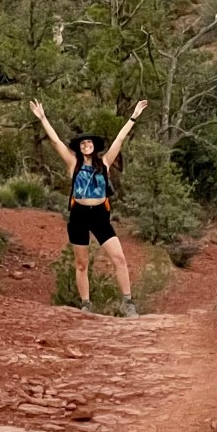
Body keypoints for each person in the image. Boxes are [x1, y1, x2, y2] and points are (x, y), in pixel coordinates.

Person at [30, 97, 148, 316]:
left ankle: (128, 302)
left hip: (100, 216)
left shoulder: (104, 163)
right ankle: (86, 304)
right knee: (81, 263)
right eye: (83, 144)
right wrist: (43, 118)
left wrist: (133, 116)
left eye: (89, 143)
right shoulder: (73, 163)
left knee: (119, 258)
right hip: (79, 216)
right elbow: (55, 141)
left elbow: (120, 140)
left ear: (94, 147)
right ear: (79, 147)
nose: (86, 146)